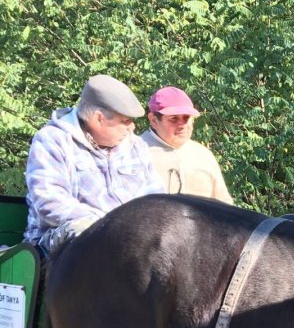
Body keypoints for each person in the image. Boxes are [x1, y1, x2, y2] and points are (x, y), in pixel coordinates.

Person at [24, 75, 164, 255]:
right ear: (99, 119)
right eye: (125, 121)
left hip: (130, 236)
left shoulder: (136, 145)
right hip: (57, 243)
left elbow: (155, 197)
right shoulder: (53, 139)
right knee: (85, 232)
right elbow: (49, 201)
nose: (132, 128)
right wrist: (109, 225)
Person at [141, 86, 232, 202]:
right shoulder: (136, 153)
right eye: (173, 118)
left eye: (186, 117)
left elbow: (224, 206)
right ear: (154, 120)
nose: (182, 125)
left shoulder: (203, 155)